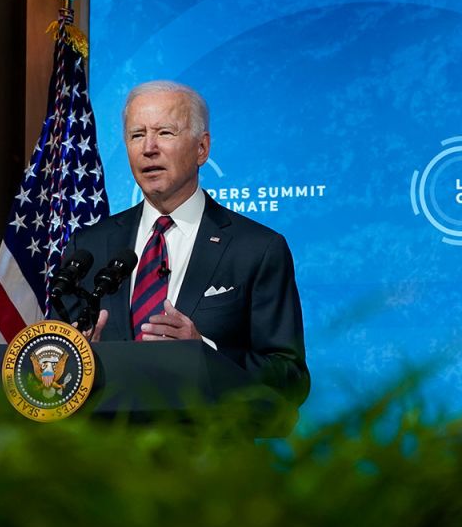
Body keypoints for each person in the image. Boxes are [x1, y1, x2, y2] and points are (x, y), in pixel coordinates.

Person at [69, 80, 309, 405]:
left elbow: (289, 378)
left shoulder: (257, 249)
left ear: (202, 149)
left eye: (165, 132)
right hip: (110, 449)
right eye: (137, 135)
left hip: (208, 450)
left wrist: (202, 355)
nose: (148, 147)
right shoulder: (89, 246)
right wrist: (79, 353)